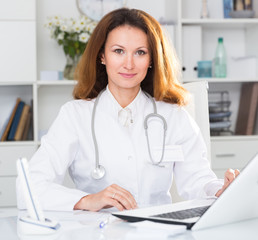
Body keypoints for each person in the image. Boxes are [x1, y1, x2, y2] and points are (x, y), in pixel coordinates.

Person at [17, 8, 239, 212]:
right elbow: (28, 187)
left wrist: (221, 190)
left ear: (152, 59)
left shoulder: (173, 115)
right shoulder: (75, 115)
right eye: (118, 51)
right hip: (96, 232)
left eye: (140, 52)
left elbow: (198, 181)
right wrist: (86, 200)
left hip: (158, 231)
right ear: (102, 56)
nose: (129, 64)